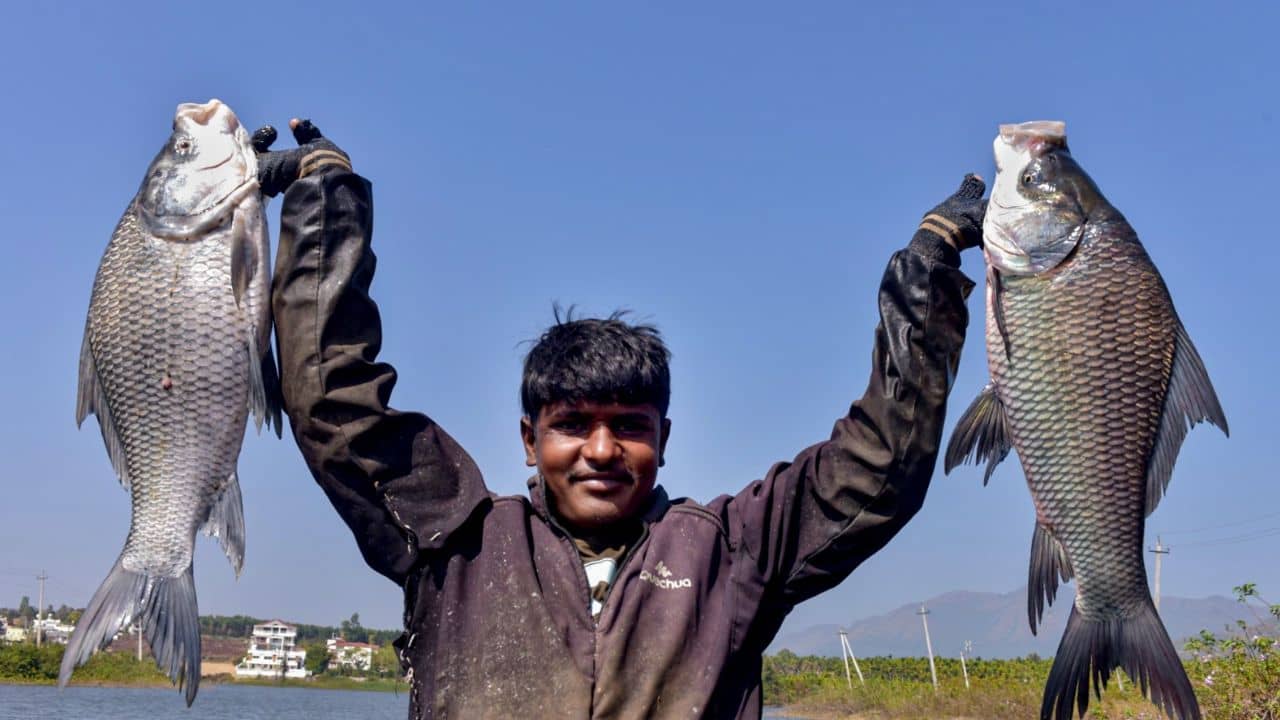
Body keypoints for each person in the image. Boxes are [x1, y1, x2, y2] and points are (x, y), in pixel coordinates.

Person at [254, 118, 985, 719]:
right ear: (529, 442)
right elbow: (332, 402)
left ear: (664, 442)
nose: (602, 450)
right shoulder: (454, 542)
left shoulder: (732, 554)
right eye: (572, 424)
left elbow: (880, 465)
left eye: (630, 426)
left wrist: (931, 266)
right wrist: (326, 199)